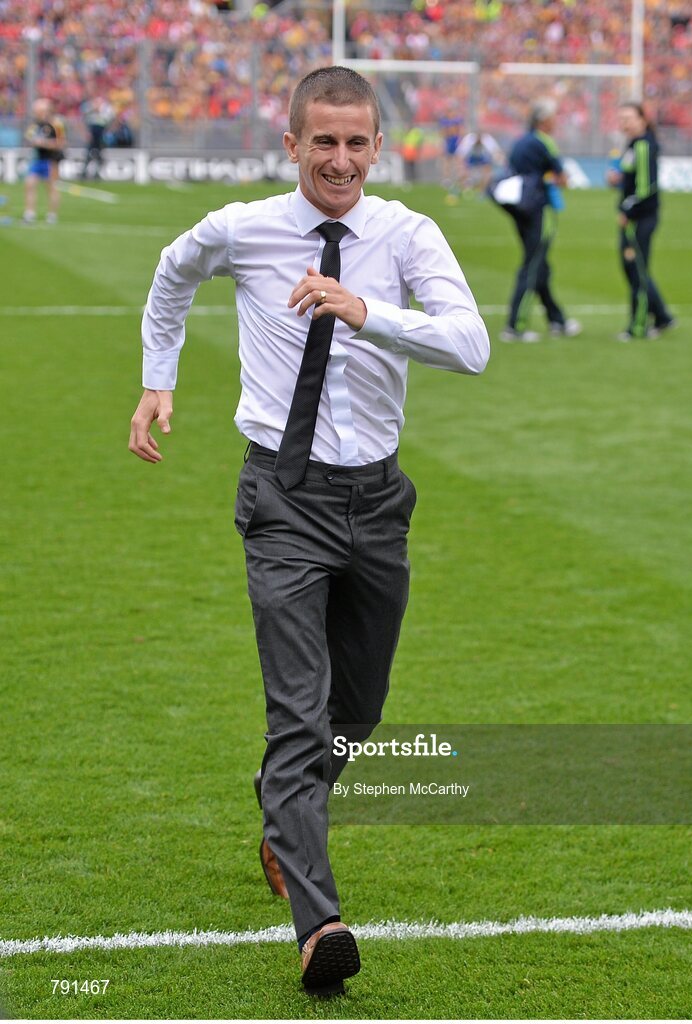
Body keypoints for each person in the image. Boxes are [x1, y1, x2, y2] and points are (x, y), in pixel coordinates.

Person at [129, 66, 489, 996]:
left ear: (378, 147)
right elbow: (171, 277)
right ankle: (318, 924)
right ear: (290, 144)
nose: (338, 159)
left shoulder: (408, 234)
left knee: (353, 719)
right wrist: (157, 378)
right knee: (298, 716)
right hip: (281, 498)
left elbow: (470, 345)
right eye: (321, 142)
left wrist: (364, 311)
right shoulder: (244, 228)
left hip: (376, 502)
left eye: (355, 142)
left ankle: (279, 814)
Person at [499, 98, 581, 343]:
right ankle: (516, 325)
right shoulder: (544, 142)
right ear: (544, 120)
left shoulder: (520, 142)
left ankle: (558, 320)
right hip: (539, 210)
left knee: (540, 266)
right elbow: (562, 177)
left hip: (519, 208)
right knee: (533, 265)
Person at [606, 102, 676, 341]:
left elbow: (646, 188)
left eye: (629, 118)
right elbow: (632, 178)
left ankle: (638, 327)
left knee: (637, 270)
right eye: (621, 118)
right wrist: (618, 180)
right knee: (634, 269)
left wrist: (627, 209)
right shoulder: (632, 145)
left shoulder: (645, 145)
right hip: (634, 217)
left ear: (642, 120)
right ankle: (663, 316)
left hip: (640, 218)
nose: (624, 123)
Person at [23, 98, 66, 224]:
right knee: (29, 184)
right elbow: (28, 137)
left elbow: (61, 143)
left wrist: (44, 143)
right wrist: (33, 141)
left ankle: (52, 215)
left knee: (51, 187)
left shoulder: (56, 124)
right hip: (38, 159)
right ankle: (29, 214)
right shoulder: (36, 125)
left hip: (51, 160)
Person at [456, 130, 504, 194]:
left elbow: (496, 152)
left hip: (482, 156)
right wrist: (461, 167)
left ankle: (483, 190)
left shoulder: (487, 140)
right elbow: (460, 155)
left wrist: (500, 160)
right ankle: (465, 187)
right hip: (471, 156)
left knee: (487, 171)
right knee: (462, 169)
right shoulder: (468, 140)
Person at [80, 96, 113, 180]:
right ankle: (85, 171)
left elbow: (108, 119)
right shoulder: (89, 107)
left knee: (99, 153)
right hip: (93, 131)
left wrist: (99, 111)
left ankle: (98, 171)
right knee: (89, 152)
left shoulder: (106, 108)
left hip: (101, 132)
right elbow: (85, 115)